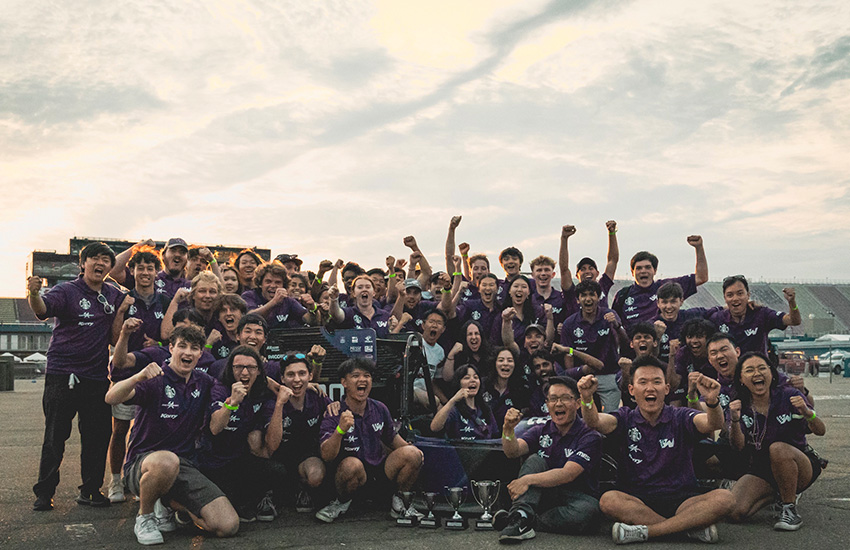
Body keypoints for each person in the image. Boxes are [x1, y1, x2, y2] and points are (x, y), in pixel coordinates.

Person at [105, 325, 239, 545]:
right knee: (167, 460)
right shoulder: (156, 378)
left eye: (194, 348)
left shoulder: (204, 382)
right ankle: (145, 518)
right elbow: (111, 398)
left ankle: (169, 502)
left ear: (200, 354)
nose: (187, 352)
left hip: (184, 466)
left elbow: (216, 426)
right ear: (171, 348)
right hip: (144, 465)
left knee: (228, 525)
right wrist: (137, 377)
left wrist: (231, 405)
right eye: (182, 346)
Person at [578, 357, 734, 544]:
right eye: (643, 382)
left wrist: (712, 401)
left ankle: (649, 532)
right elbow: (594, 422)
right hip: (637, 500)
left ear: (666, 389)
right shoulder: (625, 417)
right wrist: (586, 399)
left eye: (657, 382)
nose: (650, 388)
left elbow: (713, 423)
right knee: (608, 500)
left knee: (725, 498)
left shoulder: (680, 416)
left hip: (683, 499)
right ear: (632, 390)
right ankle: (687, 529)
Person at [27, 242, 126, 511]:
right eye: (94, 258)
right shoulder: (66, 290)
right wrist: (33, 292)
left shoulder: (113, 294)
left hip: (96, 377)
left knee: (97, 436)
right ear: (82, 264)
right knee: (55, 437)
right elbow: (42, 310)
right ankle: (44, 492)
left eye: (106, 260)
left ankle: (91, 491)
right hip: (62, 375)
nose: (101, 263)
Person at [495, 376, 602, 542]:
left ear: (577, 403)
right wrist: (507, 429)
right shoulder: (541, 429)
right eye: (553, 399)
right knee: (534, 461)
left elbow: (568, 474)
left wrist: (528, 480)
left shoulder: (589, 435)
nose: (558, 404)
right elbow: (513, 451)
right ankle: (521, 515)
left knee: (589, 512)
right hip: (545, 494)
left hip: (576, 497)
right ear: (547, 404)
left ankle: (524, 520)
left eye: (565, 398)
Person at [316, 358, 424, 523]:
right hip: (351, 477)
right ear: (344, 382)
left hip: (380, 474)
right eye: (356, 376)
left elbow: (393, 439)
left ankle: (401, 503)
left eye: (367, 376)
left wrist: (416, 455)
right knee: (352, 465)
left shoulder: (380, 408)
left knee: (413, 454)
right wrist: (340, 430)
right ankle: (341, 503)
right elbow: (327, 455)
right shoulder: (334, 412)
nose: (362, 380)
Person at [727, 352, 826, 531]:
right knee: (735, 512)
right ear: (741, 378)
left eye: (762, 368)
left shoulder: (789, 396)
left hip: (799, 464)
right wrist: (734, 420)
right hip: (762, 469)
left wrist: (807, 413)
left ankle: (789, 509)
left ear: (772, 374)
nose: (757, 373)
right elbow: (738, 446)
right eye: (749, 370)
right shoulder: (740, 405)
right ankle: (779, 493)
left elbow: (820, 431)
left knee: (778, 449)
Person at [197, 346, 286, 523]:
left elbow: (273, 445)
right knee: (223, 508)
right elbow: (215, 428)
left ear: (259, 371)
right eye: (238, 367)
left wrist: (279, 404)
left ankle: (252, 499)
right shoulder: (220, 389)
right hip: (212, 462)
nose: (244, 372)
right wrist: (231, 403)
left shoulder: (261, 393)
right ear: (231, 369)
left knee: (277, 471)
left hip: (239, 460)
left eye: (250, 367)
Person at [269, 351, 332, 513]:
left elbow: (335, 413)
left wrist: (335, 406)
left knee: (316, 475)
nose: (297, 380)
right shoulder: (272, 400)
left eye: (302, 374)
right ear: (282, 379)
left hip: (305, 456)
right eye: (290, 375)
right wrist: (279, 404)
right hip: (277, 456)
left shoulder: (317, 396)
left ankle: (302, 489)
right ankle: (268, 495)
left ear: (310, 376)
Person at [611, 236, 708, 333]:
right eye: (639, 268)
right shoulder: (622, 295)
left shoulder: (667, 287)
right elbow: (615, 326)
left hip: (664, 343)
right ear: (632, 272)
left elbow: (701, 278)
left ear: (655, 270)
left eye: (648, 267)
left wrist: (698, 248)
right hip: (634, 346)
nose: (643, 271)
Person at [560, 280, 624, 413]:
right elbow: (568, 355)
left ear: (598, 298)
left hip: (609, 375)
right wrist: (572, 378)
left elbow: (625, 342)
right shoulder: (569, 324)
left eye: (592, 295)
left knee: (610, 418)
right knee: (581, 418)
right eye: (583, 295)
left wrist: (617, 326)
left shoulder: (609, 316)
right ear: (578, 300)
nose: (588, 299)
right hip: (583, 376)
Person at [708, 275, 801, 355]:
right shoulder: (717, 318)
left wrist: (792, 302)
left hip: (757, 372)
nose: (735, 298)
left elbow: (794, 321)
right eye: (730, 295)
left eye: (740, 293)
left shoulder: (761, 314)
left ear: (748, 295)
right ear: (725, 298)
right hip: (730, 373)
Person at [558, 220, 619, 310]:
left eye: (591, 268)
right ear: (576, 275)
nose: (587, 271)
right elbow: (564, 269)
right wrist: (564, 239)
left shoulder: (602, 286)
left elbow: (612, 261)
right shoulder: (571, 292)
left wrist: (612, 233)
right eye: (583, 269)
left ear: (597, 273)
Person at [430, 364, 497, 440]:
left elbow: (495, 435)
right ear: (459, 383)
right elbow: (434, 427)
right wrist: (453, 400)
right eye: (467, 378)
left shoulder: (485, 409)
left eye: (476, 377)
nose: (473, 380)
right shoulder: (454, 410)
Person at [109, 238, 192, 299]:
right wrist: (137, 247)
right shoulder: (148, 278)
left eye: (182, 252)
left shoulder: (193, 285)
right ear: (163, 255)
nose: (177, 255)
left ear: (187, 258)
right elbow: (113, 270)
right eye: (173, 250)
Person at [242, 263, 315, 329]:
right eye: (268, 281)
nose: (273, 286)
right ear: (260, 284)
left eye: (278, 282)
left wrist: (312, 308)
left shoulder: (288, 301)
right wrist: (274, 302)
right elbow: (249, 318)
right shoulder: (249, 296)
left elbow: (309, 320)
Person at [328, 275, 394, 338]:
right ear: (353, 293)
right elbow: (336, 314)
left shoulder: (384, 315)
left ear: (374, 292)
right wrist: (334, 299)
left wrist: (393, 327)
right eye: (360, 287)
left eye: (368, 287)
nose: (364, 290)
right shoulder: (349, 313)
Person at [481, 348, 530, 430]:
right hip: (484, 436)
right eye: (501, 360)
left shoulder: (522, 389)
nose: (505, 364)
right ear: (494, 363)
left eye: (510, 360)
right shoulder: (483, 385)